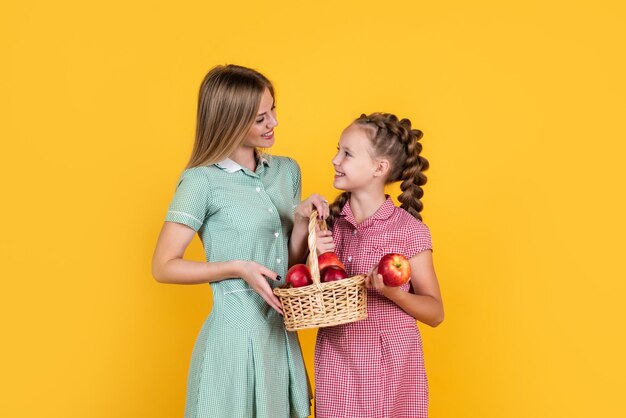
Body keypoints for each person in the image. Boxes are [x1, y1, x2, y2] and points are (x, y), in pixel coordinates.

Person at [152, 64, 328, 418]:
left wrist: (301, 222)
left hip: (280, 337)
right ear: (229, 121)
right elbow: (163, 266)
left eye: (273, 110)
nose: (274, 123)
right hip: (232, 341)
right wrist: (236, 267)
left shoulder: (287, 171)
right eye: (260, 118)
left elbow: (287, 266)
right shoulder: (201, 182)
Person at [313, 112, 444, 418]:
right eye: (337, 150)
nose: (335, 160)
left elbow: (436, 312)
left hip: (389, 366)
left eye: (347, 153)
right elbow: (304, 290)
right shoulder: (328, 226)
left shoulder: (407, 230)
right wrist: (309, 249)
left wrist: (396, 294)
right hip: (337, 360)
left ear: (379, 168)